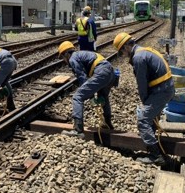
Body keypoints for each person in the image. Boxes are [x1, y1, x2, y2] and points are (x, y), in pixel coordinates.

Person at [113, 32, 174, 165]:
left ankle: (156, 155)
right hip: (164, 88)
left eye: (121, 52)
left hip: (161, 90)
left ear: (125, 48)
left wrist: (145, 102)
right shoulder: (142, 51)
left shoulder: (138, 58)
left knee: (143, 119)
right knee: (151, 118)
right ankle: (153, 144)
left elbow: (142, 84)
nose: (122, 55)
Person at [58, 41, 115, 138]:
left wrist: (90, 96)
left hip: (101, 71)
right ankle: (108, 124)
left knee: (78, 96)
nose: (64, 60)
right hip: (110, 72)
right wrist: (91, 95)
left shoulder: (73, 58)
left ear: (66, 54)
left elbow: (82, 77)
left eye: (63, 57)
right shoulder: (80, 55)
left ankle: (78, 130)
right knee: (103, 96)